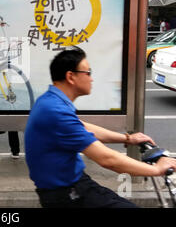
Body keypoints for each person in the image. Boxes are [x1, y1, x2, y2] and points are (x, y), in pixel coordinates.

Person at [24, 47, 176, 208]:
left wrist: (128, 138)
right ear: (71, 77)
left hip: (75, 184)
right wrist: (157, 169)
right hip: (66, 195)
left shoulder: (50, 101)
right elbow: (107, 159)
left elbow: (83, 127)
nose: (91, 78)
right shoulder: (55, 111)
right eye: (87, 72)